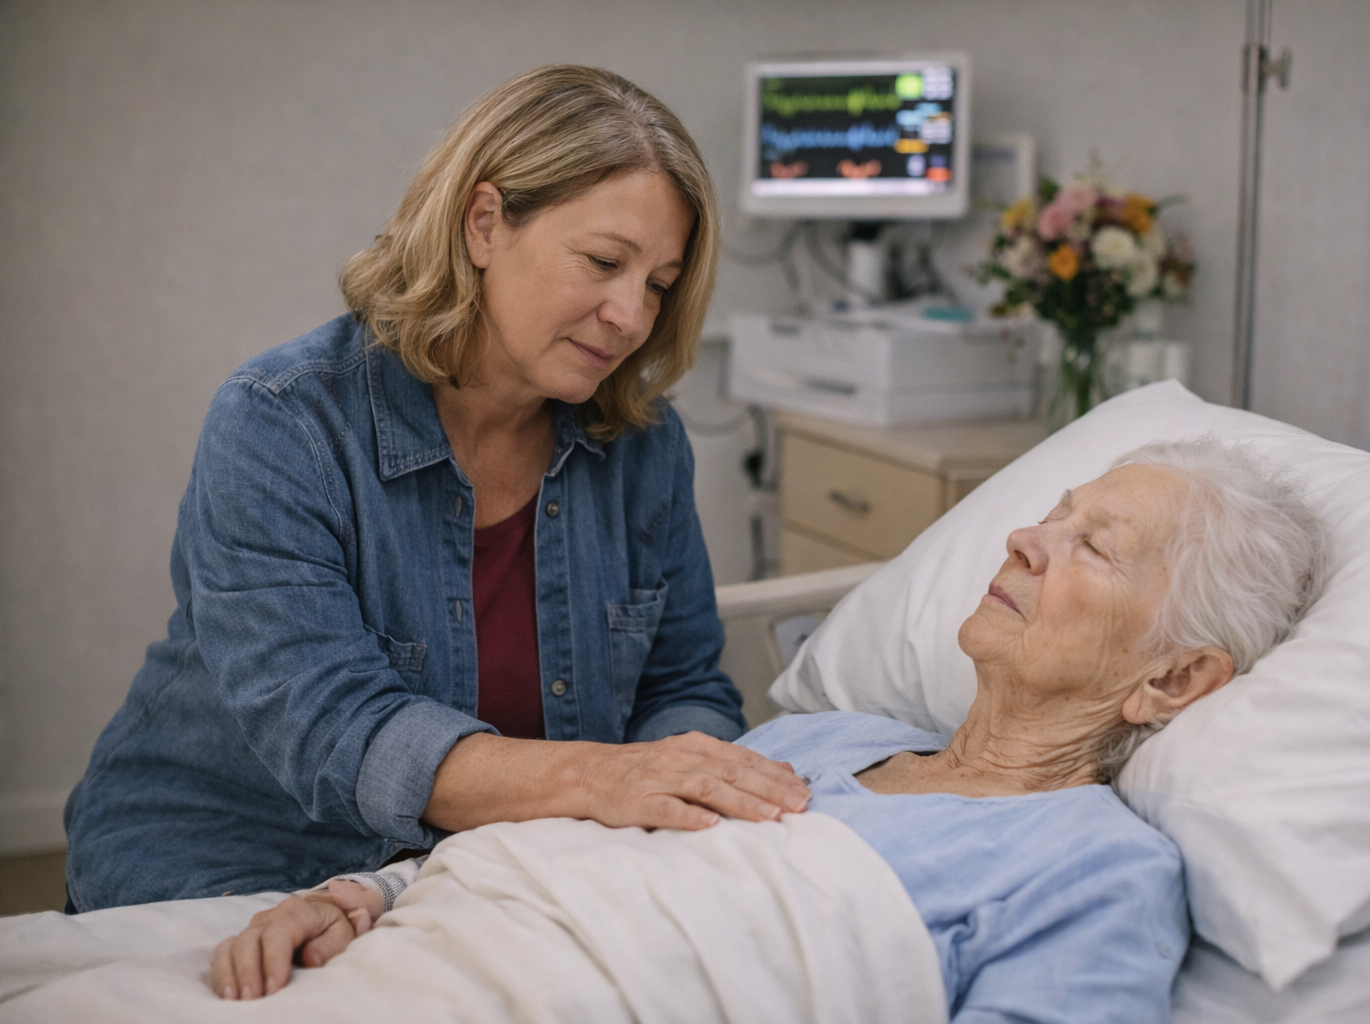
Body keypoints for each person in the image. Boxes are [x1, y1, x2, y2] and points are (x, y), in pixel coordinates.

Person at [212, 438, 1330, 1022]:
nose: (1030, 542)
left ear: (1176, 679)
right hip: (426, 954)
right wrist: (373, 894)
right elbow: (578, 849)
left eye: (1096, 547)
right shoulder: (828, 736)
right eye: (1053, 514)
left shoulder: (1096, 869)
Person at [63, 64, 810, 914]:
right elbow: (340, 732)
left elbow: (683, 687)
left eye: (657, 286)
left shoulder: (642, 443)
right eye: (604, 261)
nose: (632, 318)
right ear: (484, 223)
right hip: (234, 862)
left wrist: (693, 786)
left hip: (480, 876)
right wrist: (614, 779)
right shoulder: (283, 425)